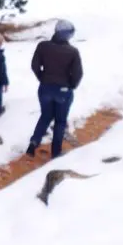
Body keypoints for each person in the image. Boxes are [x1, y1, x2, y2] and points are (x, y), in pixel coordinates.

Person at [26, 19, 84, 158]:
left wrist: (42, 78)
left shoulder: (43, 46)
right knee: (60, 121)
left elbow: (35, 65)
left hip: (45, 88)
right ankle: (56, 152)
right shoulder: (72, 52)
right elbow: (78, 74)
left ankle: (33, 143)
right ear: (67, 35)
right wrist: (71, 85)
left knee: (45, 115)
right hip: (63, 91)